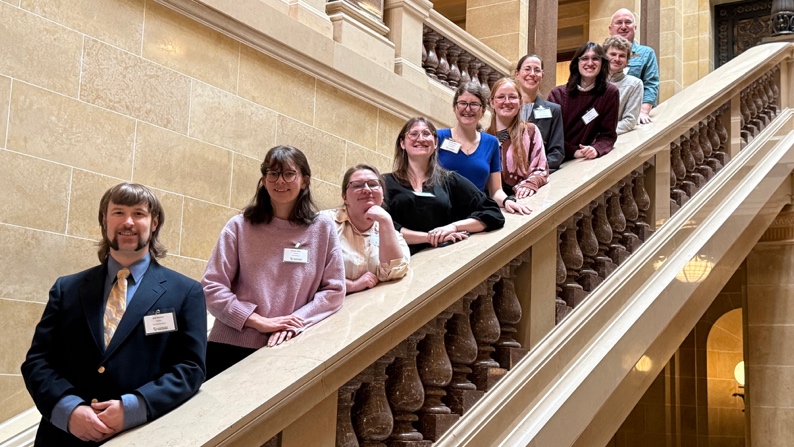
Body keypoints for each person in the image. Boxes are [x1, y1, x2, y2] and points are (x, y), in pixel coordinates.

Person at [21, 183, 207, 446]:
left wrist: (133, 408)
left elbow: (191, 369)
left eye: (139, 214)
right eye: (118, 212)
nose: (128, 222)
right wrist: (69, 409)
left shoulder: (186, 292)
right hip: (62, 437)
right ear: (104, 220)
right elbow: (38, 362)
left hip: (142, 436)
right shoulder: (67, 289)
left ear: (154, 223)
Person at [202, 145, 345, 379]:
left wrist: (293, 323)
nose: (281, 181)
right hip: (232, 346)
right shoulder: (239, 226)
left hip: (290, 347)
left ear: (305, 181)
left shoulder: (322, 228)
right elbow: (211, 287)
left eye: (289, 173)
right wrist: (256, 321)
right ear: (264, 180)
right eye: (273, 173)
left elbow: (334, 290)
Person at [385, 117, 505, 254]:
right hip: (402, 261)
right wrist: (429, 237)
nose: (420, 138)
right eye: (413, 134)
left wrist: (453, 227)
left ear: (436, 142)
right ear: (402, 143)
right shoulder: (385, 183)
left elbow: (493, 213)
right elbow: (382, 226)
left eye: (426, 133)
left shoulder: (449, 180)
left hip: (442, 258)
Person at [437, 82, 531, 215]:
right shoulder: (438, 137)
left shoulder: (491, 142)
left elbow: (495, 190)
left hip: (474, 214)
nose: (468, 109)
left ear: (482, 110)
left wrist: (507, 201)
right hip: (441, 211)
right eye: (463, 103)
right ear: (454, 107)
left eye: (474, 104)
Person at [321, 164, 410, 294]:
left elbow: (395, 272)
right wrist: (351, 285)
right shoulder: (324, 222)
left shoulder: (392, 234)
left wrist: (385, 221)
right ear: (344, 197)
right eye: (357, 185)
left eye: (373, 184)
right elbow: (306, 270)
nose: (367, 189)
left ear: (383, 195)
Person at [548, 41, 620, 161]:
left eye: (595, 59)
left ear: (602, 63)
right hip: (555, 159)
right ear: (577, 63)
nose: (590, 63)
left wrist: (596, 149)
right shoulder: (557, 94)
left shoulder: (610, 93)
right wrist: (574, 151)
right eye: (585, 58)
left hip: (584, 160)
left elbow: (608, 135)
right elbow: (550, 135)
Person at [485, 77, 549, 198]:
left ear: (520, 102)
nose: (507, 101)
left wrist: (530, 184)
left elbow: (541, 169)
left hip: (520, 200)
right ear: (492, 102)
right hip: (489, 205)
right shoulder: (483, 137)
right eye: (501, 97)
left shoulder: (530, 131)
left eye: (512, 97)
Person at [609, 8, 660, 124]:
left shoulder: (646, 53)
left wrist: (643, 112)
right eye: (618, 22)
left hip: (634, 117)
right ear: (610, 29)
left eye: (628, 22)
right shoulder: (600, 54)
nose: (623, 26)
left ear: (635, 27)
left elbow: (651, 84)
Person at [515, 54, 566, 171]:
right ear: (517, 74)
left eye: (537, 70)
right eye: (527, 69)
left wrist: (535, 170)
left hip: (540, 176)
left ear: (542, 76)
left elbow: (556, 153)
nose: (532, 74)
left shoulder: (554, 110)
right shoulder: (506, 108)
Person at [604, 35, 644, 135]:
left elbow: (630, 121)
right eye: (613, 54)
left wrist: (602, 135)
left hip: (612, 140)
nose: (617, 59)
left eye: (622, 56)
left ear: (627, 61)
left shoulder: (635, 84)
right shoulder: (591, 80)